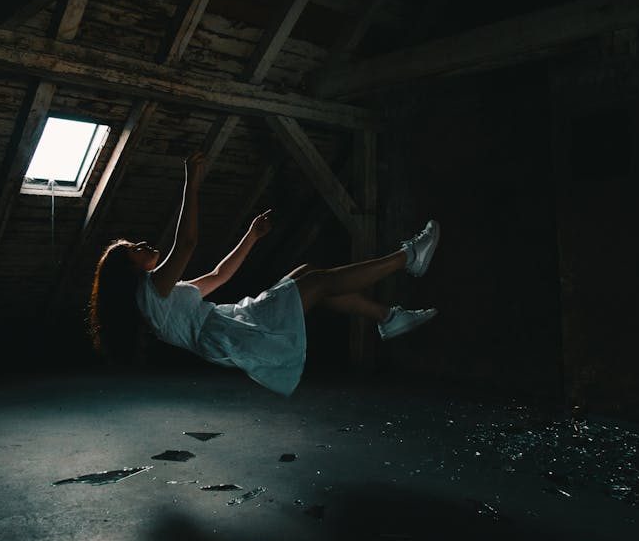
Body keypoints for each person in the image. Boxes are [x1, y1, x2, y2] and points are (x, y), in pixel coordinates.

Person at [88, 150, 440, 397]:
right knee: (316, 282)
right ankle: (408, 257)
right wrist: (192, 186)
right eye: (135, 248)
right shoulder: (150, 291)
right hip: (233, 333)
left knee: (308, 273)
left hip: (231, 323)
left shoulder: (161, 296)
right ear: (127, 270)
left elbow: (218, 275)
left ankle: (387, 317)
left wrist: (252, 236)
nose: (144, 244)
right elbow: (188, 243)